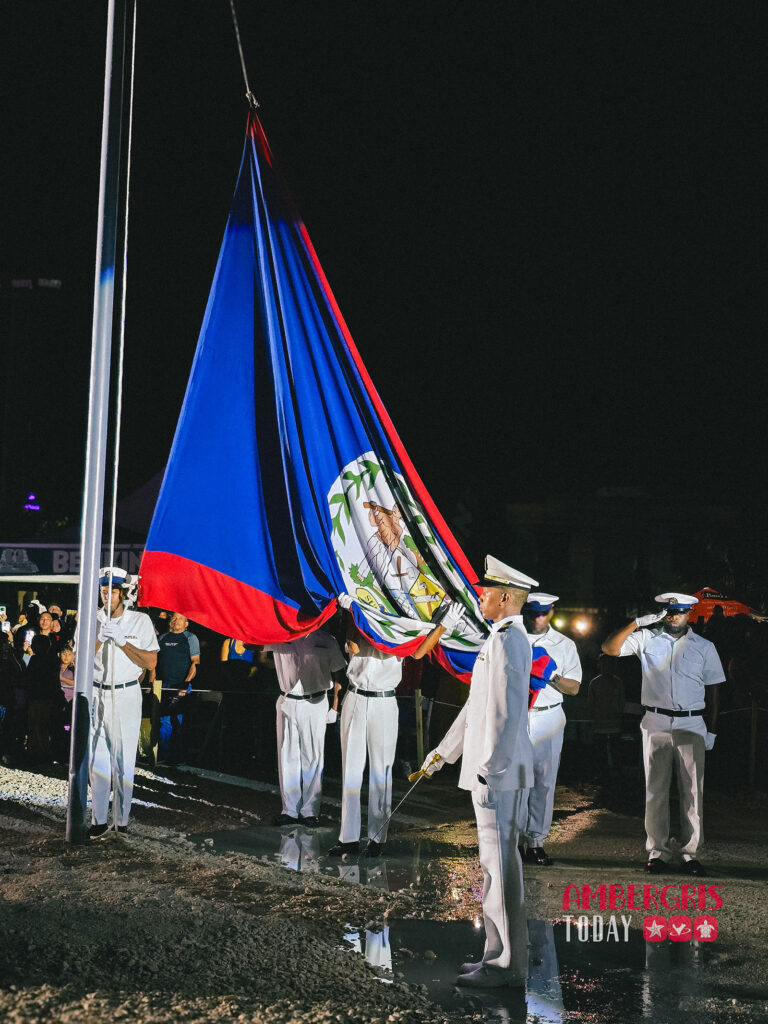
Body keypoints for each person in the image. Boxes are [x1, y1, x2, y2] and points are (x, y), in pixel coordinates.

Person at [420, 555, 536, 988]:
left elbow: (506, 714)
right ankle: (495, 958)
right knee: (492, 869)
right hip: (492, 771)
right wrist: (443, 754)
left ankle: (505, 967)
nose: (481, 596)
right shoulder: (500, 638)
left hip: (497, 774)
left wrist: (491, 769)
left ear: (506, 597)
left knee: (500, 872)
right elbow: (476, 708)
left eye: (487, 591)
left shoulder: (509, 641)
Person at [601, 592, 724, 876]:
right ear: (663, 613)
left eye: (680, 612)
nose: (674, 617)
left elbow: (715, 691)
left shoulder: (704, 646)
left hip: (691, 722)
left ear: (689, 614)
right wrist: (636, 623)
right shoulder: (648, 639)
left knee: (693, 792)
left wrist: (712, 730)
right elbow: (609, 648)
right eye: (670, 612)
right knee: (655, 790)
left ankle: (690, 853)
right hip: (655, 720)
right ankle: (658, 852)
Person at [329, 599, 460, 858]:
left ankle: (377, 838)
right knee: (351, 771)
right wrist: (354, 612)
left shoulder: (401, 621)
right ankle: (349, 838)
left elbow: (418, 652)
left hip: (384, 700)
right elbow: (353, 645)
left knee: (381, 772)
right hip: (355, 696)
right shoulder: (360, 616)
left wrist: (443, 626)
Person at [90, 567, 159, 839]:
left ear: (123, 593)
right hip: (97, 691)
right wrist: (98, 636)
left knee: (123, 758)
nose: (107, 596)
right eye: (103, 591)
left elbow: (150, 662)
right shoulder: (91, 619)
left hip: (127, 692)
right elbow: (77, 660)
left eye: (113, 591)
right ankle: (97, 820)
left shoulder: (140, 621)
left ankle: (121, 820)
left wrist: (121, 641)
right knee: (98, 758)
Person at [519, 592, 582, 865]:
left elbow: (575, 687)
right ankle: (512, 841)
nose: (538, 618)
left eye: (543, 613)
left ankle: (535, 842)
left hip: (548, 716)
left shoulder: (564, 644)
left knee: (543, 782)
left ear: (552, 612)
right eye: (534, 613)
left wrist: (552, 675)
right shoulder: (511, 636)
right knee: (514, 782)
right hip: (517, 716)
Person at [262, 629, 347, 827]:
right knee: (287, 757)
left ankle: (310, 810)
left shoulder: (327, 639)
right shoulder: (279, 634)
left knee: (313, 758)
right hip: (287, 700)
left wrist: (335, 707)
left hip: (315, 702)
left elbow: (339, 675)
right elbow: (250, 645)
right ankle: (290, 810)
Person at [151, 612, 200, 764]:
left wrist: (186, 683)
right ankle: (163, 756)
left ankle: (178, 757)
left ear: (186, 623)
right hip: (163, 685)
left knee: (178, 720)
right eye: (173, 618)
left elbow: (195, 662)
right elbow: (154, 662)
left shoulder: (190, 638)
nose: (175, 621)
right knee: (164, 721)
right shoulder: (162, 638)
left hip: (181, 684)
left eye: (179, 619)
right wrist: (152, 682)